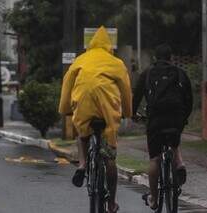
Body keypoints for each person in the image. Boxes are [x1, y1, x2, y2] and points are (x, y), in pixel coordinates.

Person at [59, 26, 132, 213]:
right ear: (109, 46)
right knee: (109, 156)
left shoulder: (80, 60)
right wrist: (128, 112)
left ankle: (83, 164)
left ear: (90, 45)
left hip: (84, 104)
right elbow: (125, 90)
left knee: (82, 133)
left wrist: (65, 109)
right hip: (107, 109)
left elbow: (67, 84)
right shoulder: (116, 63)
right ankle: (111, 203)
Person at [132, 44, 193, 210]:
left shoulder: (147, 73)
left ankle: (154, 198)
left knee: (155, 159)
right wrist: (184, 118)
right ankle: (179, 164)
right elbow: (189, 99)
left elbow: (136, 97)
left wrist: (133, 115)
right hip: (176, 118)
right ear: (171, 58)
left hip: (156, 119)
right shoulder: (180, 73)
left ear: (154, 59)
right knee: (173, 140)